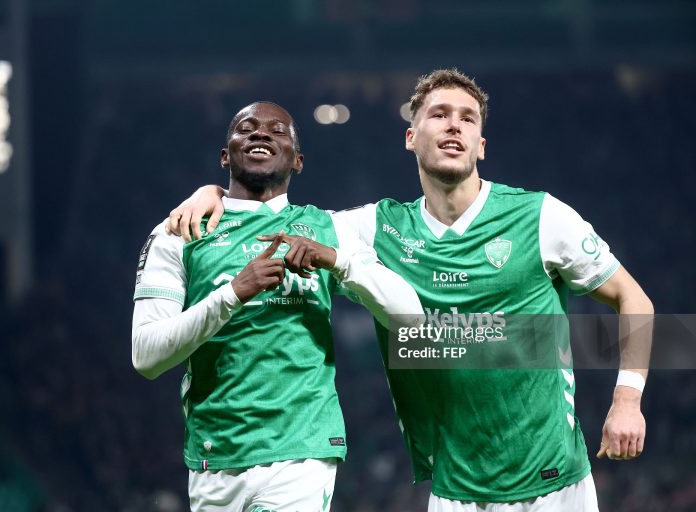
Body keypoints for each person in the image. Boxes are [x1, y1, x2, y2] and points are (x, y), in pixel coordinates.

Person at [166, 70, 654, 511]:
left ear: (481, 144)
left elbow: (635, 300)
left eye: (467, 118)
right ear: (411, 137)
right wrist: (216, 193)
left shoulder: (541, 217)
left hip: (556, 483)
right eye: (439, 115)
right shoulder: (378, 227)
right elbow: (277, 216)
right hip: (455, 488)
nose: (454, 126)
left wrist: (628, 400)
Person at [132, 101, 423, 512]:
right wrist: (233, 294)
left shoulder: (327, 228)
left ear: (298, 161)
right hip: (215, 455)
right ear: (225, 155)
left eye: (278, 130)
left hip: (302, 453)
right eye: (246, 128)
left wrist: (336, 261)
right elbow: (146, 356)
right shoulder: (179, 233)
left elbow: (411, 317)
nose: (260, 133)